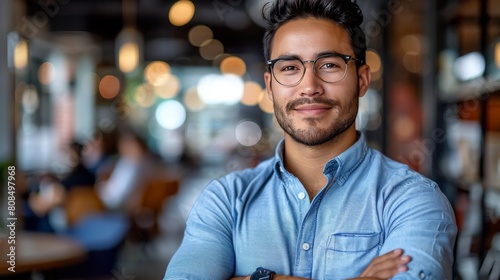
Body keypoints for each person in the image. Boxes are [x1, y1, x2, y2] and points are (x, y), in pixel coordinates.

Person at [164, 0, 457, 279]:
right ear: (269, 86)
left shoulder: (413, 200)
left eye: (329, 64)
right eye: (290, 67)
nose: (309, 87)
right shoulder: (226, 200)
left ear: (363, 79)